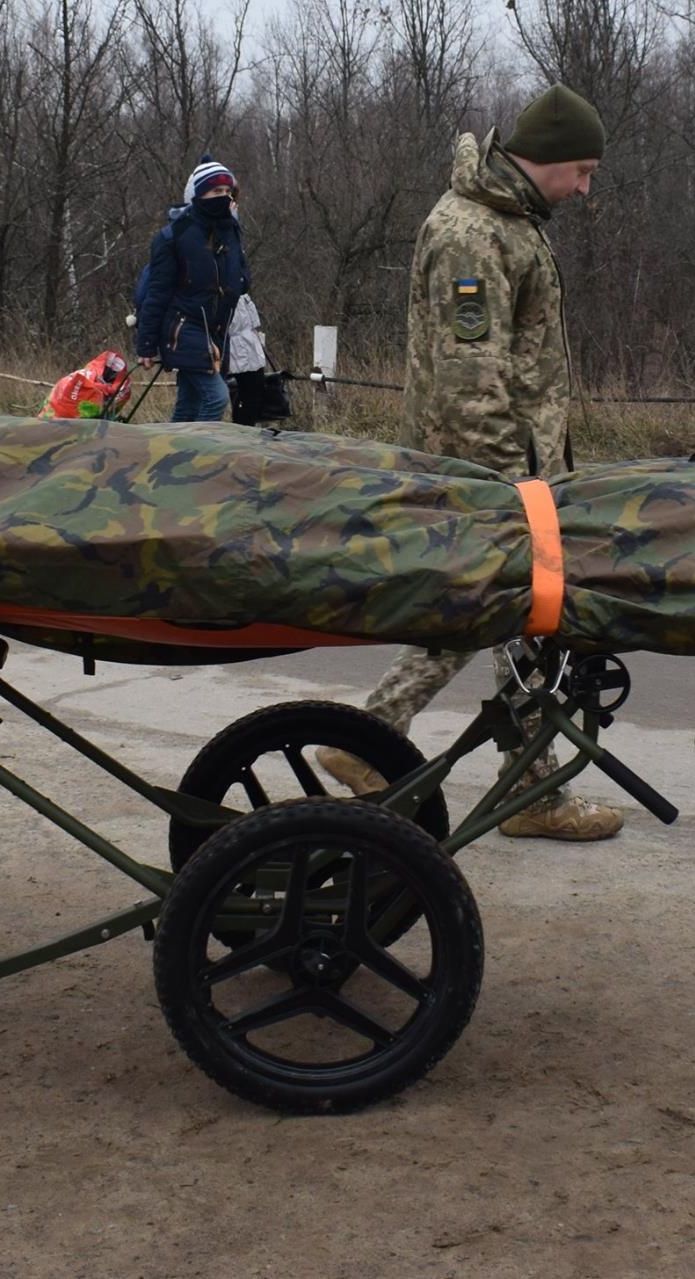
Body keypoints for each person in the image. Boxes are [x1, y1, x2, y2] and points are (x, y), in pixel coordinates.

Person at [320, 84, 626, 843]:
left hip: (517, 464)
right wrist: (511, 487)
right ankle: (371, 738)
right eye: (582, 169)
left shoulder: (512, 220)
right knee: (487, 612)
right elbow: (469, 375)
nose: (586, 187)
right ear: (546, 157)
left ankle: (527, 786)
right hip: (486, 471)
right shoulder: (473, 232)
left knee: (517, 622)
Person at [134, 154, 250, 422]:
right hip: (184, 328)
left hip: (219, 331)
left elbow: (240, 280)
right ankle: (201, 458)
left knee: (189, 402)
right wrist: (147, 344)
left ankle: (170, 457)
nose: (223, 196)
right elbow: (157, 292)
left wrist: (239, 280)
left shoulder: (231, 229)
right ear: (198, 194)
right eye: (215, 190)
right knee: (217, 398)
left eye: (226, 191)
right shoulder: (174, 236)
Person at [223, 292, 291, 426]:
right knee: (245, 393)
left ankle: (245, 430)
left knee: (252, 391)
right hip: (234, 344)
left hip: (248, 342)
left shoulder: (238, 286)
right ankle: (242, 430)